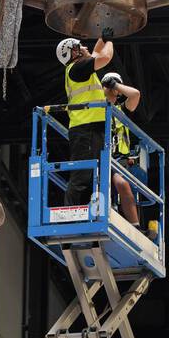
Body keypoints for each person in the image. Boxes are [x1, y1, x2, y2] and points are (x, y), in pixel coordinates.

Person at [57, 30, 114, 207]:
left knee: (94, 174)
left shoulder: (79, 69)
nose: (84, 47)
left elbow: (96, 53)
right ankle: (69, 212)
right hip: (85, 128)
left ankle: (93, 210)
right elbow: (104, 58)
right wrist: (110, 41)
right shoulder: (77, 68)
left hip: (90, 127)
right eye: (79, 46)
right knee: (81, 175)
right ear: (73, 53)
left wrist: (102, 38)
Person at [102, 72, 143, 225]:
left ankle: (135, 225)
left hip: (120, 159)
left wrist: (115, 84)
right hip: (101, 157)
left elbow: (135, 94)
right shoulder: (96, 108)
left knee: (122, 184)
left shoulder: (121, 110)